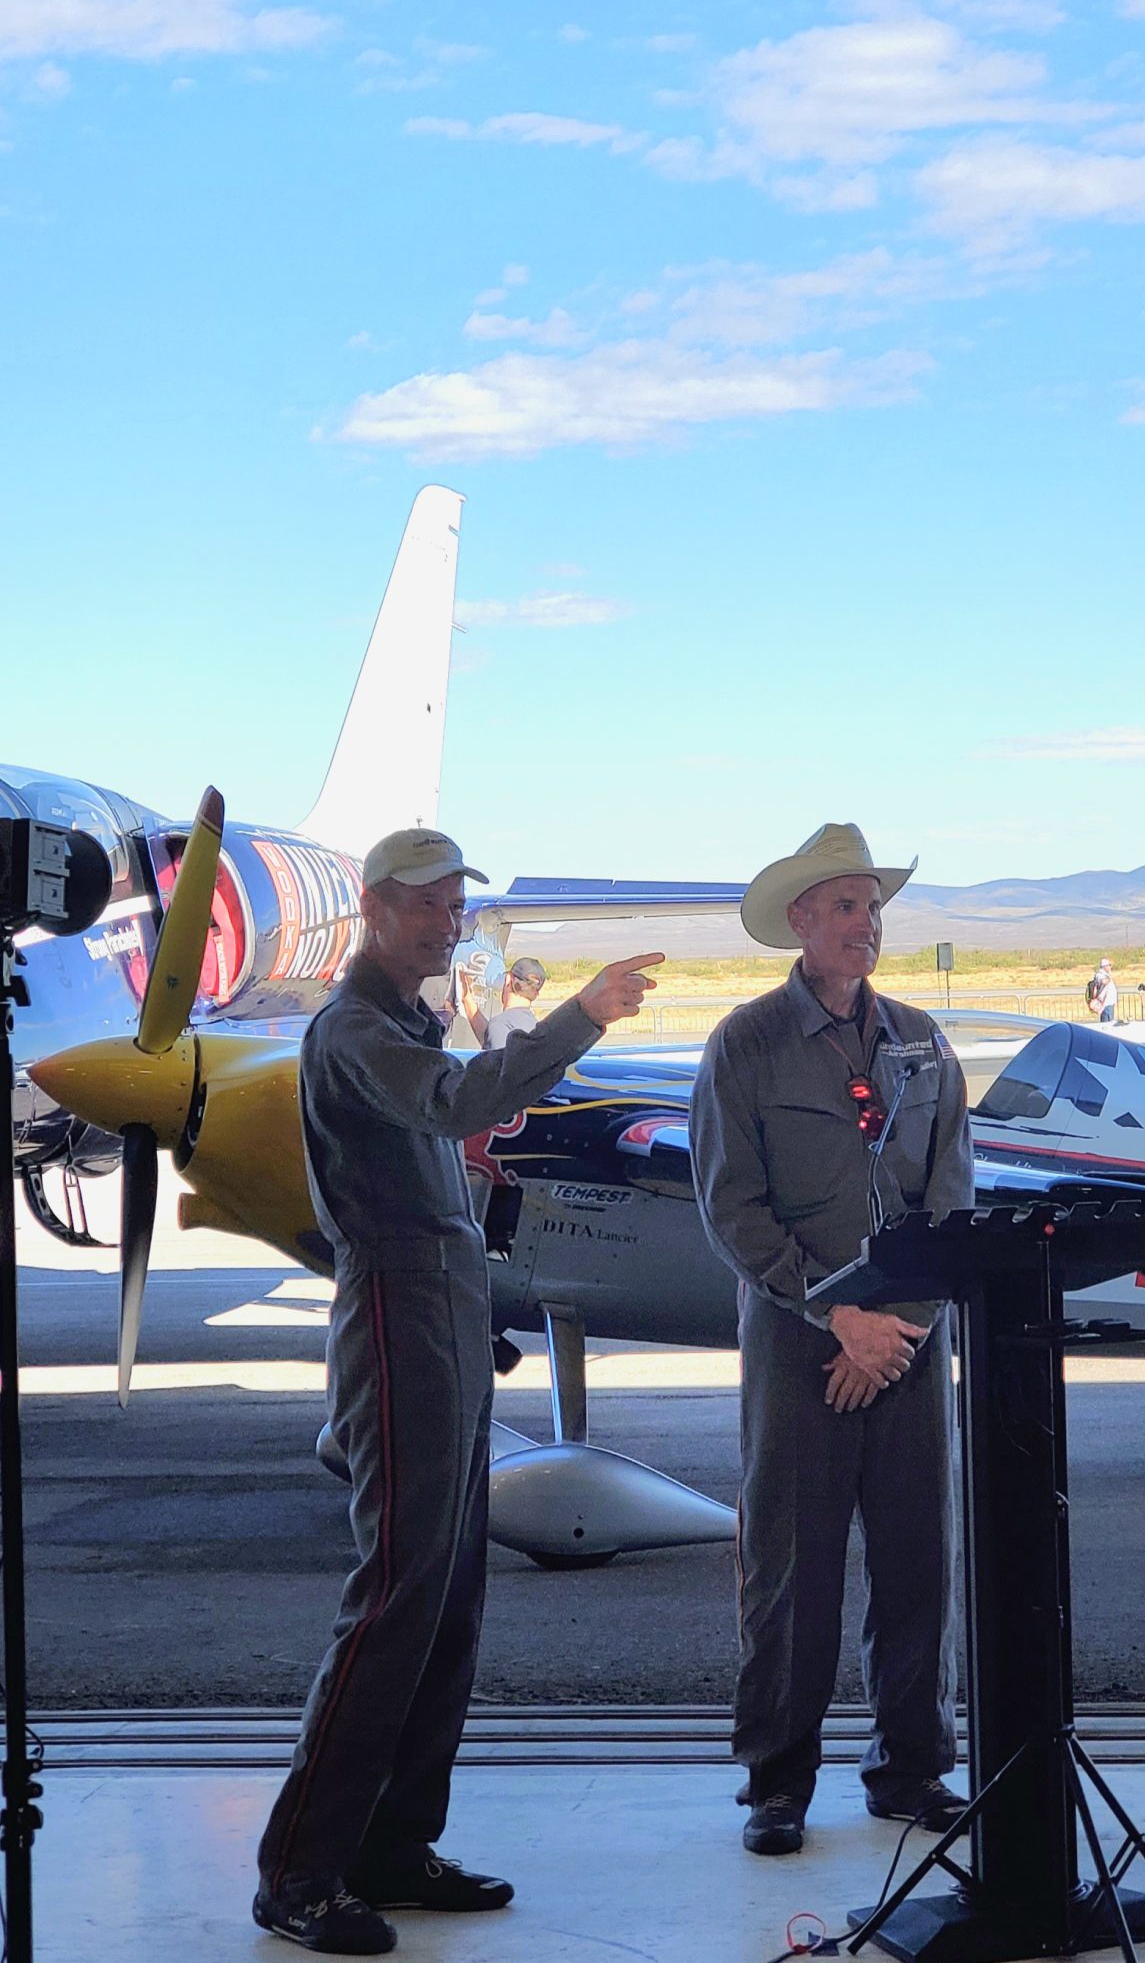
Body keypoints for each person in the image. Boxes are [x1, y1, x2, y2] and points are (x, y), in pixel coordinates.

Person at [254, 826, 661, 1956]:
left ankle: (393, 1844)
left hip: (443, 1309)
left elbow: (439, 1124)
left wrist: (456, 1175)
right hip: (395, 1314)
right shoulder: (352, 1029)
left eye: (455, 904)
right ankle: (297, 1869)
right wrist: (582, 1017)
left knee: (450, 1598)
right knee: (396, 1592)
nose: (450, 922)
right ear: (375, 910)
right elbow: (456, 1096)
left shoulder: (396, 1024)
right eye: (429, 905)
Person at [691, 823, 971, 1859]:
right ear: (799, 922)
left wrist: (898, 1327)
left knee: (915, 1560)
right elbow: (733, 1205)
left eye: (872, 904)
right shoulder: (746, 1044)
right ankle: (777, 1780)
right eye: (846, 905)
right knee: (791, 1563)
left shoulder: (918, 1037)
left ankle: (910, 1767)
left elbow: (951, 1191)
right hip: (797, 1340)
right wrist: (836, 1314)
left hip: (904, 1339)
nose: (867, 922)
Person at [484, 957, 548, 1050]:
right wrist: (467, 1001)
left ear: (508, 979)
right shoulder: (535, 1027)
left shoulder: (499, 1024)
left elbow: (498, 1060)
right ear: (535, 993)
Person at [1087, 957, 1117, 1024]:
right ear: (1104, 966)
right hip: (1105, 1004)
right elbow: (1103, 982)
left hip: (1110, 1003)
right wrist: (1109, 978)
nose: (1110, 967)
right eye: (1109, 965)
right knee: (1106, 1023)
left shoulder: (1106, 975)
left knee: (1110, 1021)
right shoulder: (1099, 974)